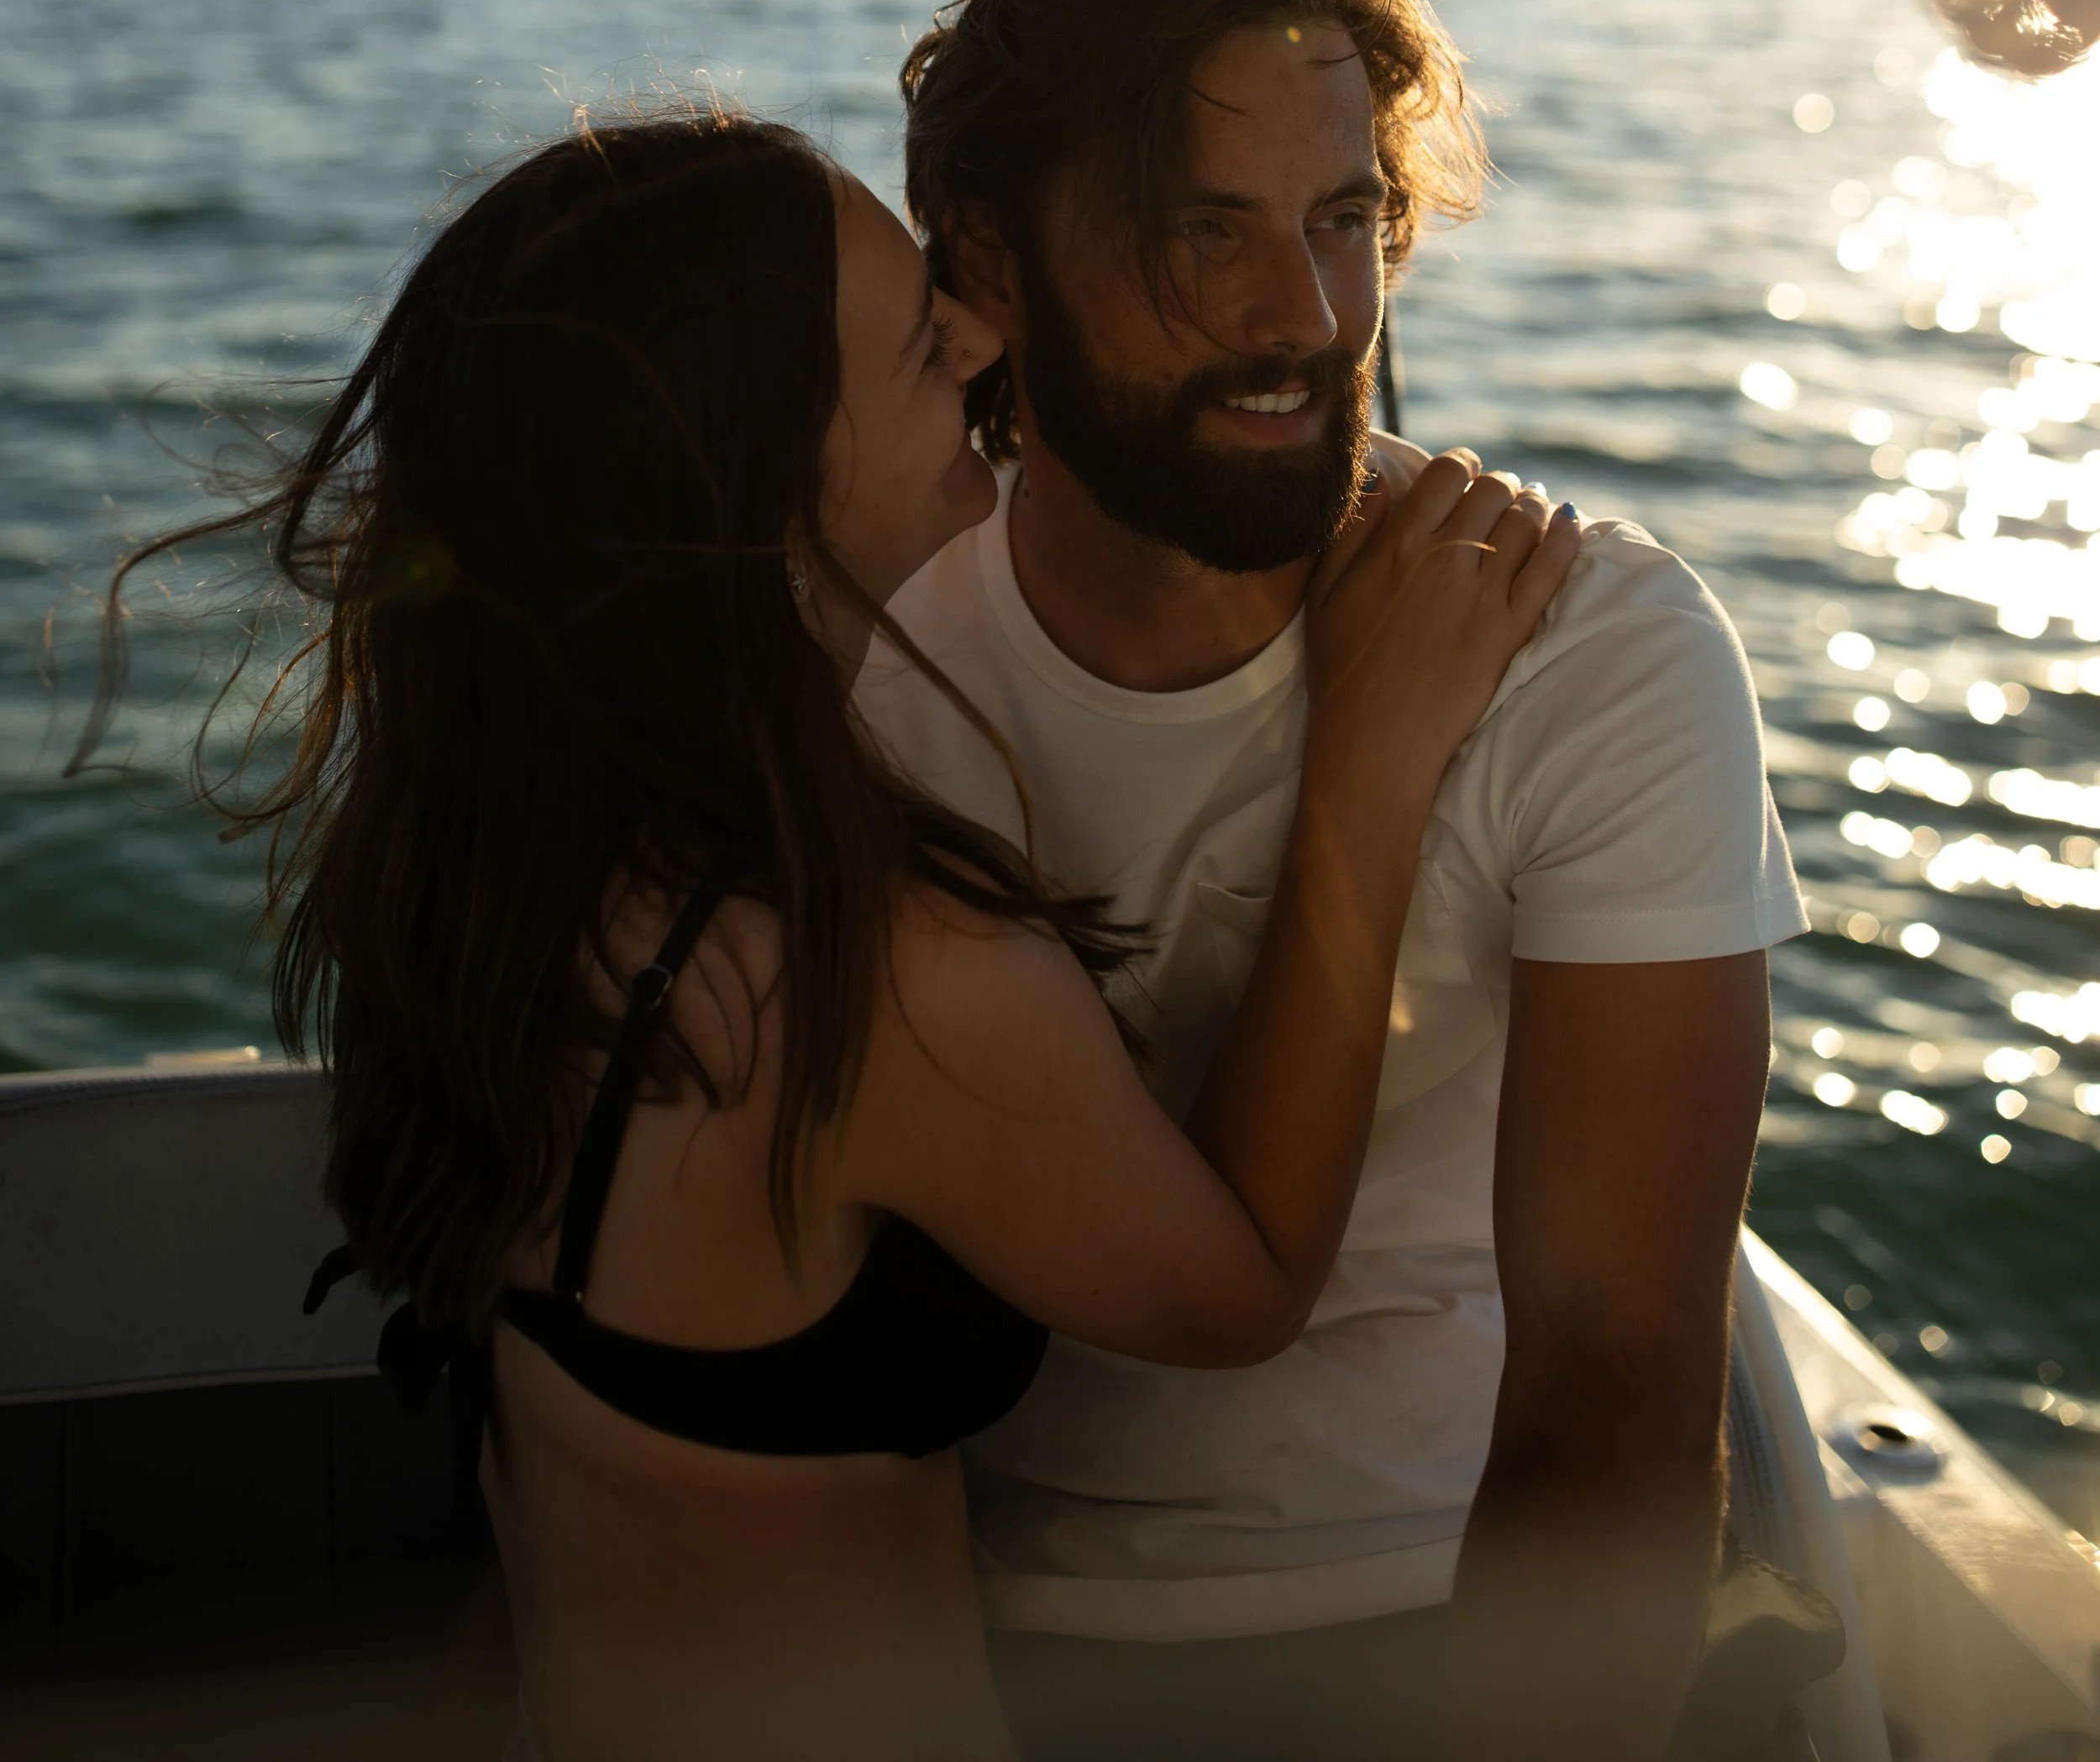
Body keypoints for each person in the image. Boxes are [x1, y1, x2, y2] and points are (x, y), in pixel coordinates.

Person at [95, 102, 1578, 1762]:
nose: (980, 336)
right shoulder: (879, 974)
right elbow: (1238, 1290)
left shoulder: (488, 855)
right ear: (766, 465)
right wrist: (1366, 763)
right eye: (918, 338)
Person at [859, 0, 1809, 1762]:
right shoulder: (867, 657)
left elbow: (1615, 1396)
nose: (1299, 316)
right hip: (968, 1624)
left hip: (1453, 1594)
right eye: (1196, 232)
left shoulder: (1587, 646)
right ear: (986, 262)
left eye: (1345, 219)